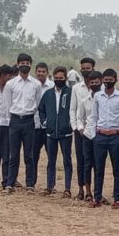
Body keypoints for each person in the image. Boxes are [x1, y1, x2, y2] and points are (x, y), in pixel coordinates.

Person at [2, 53, 43, 194]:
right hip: (14, 121)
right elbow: (7, 105)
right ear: (18, 64)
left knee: (29, 155)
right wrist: (10, 122)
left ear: (31, 65)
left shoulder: (36, 85)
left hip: (29, 121)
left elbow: (37, 104)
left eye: (27, 62)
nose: (24, 65)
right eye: (22, 62)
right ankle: (10, 184)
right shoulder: (10, 84)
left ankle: (30, 185)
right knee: (13, 155)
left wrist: (33, 120)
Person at [90, 69, 119, 208]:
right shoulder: (97, 96)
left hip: (114, 137)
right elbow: (94, 117)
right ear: (102, 80)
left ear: (116, 79)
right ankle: (97, 198)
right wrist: (94, 135)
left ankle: (117, 200)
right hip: (100, 136)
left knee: (116, 170)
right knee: (99, 169)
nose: (108, 82)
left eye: (110, 79)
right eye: (105, 79)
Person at [38, 66, 74, 197]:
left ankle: (67, 188)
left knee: (67, 161)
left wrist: (71, 124)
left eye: (61, 78)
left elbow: (75, 109)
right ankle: (49, 186)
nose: (59, 80)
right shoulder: (48, 94)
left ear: (66, 78)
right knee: (51, 161)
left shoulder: (70, 92)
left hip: (66, 133)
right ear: (53, 78)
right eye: (56, 78)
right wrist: (45, 122)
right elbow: (41, 109)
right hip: (51, 133)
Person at [74, 71, 102, 200]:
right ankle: (88, 192)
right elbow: (79, 117)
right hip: (87, 135)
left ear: (101, 82)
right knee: (87, 164)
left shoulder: (104, 99)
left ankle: (98, 193)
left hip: (101, 135)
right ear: (89, 84)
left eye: (97, 82)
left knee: (98, 165)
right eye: (92, 82)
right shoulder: (85, 101)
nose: (94, 84)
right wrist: (80, 129)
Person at [71, 67, 94, 200]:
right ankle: (81, 190)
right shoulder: (76, 88)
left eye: (88, 68)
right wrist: (76, 128)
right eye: (83, 68)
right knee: (81, 161)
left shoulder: (99, 87)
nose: (86, 70)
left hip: (96, 132)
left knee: (95, 162)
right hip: (80, 131)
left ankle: (95, 192)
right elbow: (72, 109)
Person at [30, 62, 54, 187]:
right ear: (35, 72)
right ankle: (31, 183)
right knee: (33, 156)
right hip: (34, 125)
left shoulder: (53, 86)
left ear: (47, 73)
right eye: (38, 71)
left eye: (43, 71)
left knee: (51, 156)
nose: (40, 73)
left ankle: (50, 185)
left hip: (48, 127)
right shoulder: (31, 85)